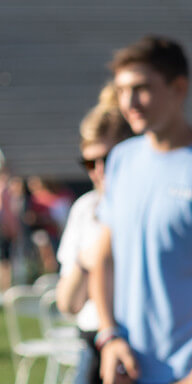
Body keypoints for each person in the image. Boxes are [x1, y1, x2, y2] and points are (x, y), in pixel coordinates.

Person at [91, 36, 192, 384]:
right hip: (128, 370)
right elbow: (103, 260)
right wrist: (108, 338)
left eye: (141, 88)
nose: (129, 102)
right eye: (121, 91)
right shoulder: (120, 159)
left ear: (178, 88)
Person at [56, 83, 135, 384]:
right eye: (90, 162)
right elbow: (68, 304)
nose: (99, 170)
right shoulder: (85, 208)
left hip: (138, 341)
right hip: (94, 340)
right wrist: (87, 260)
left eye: (108, 159)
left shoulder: (147, 206)